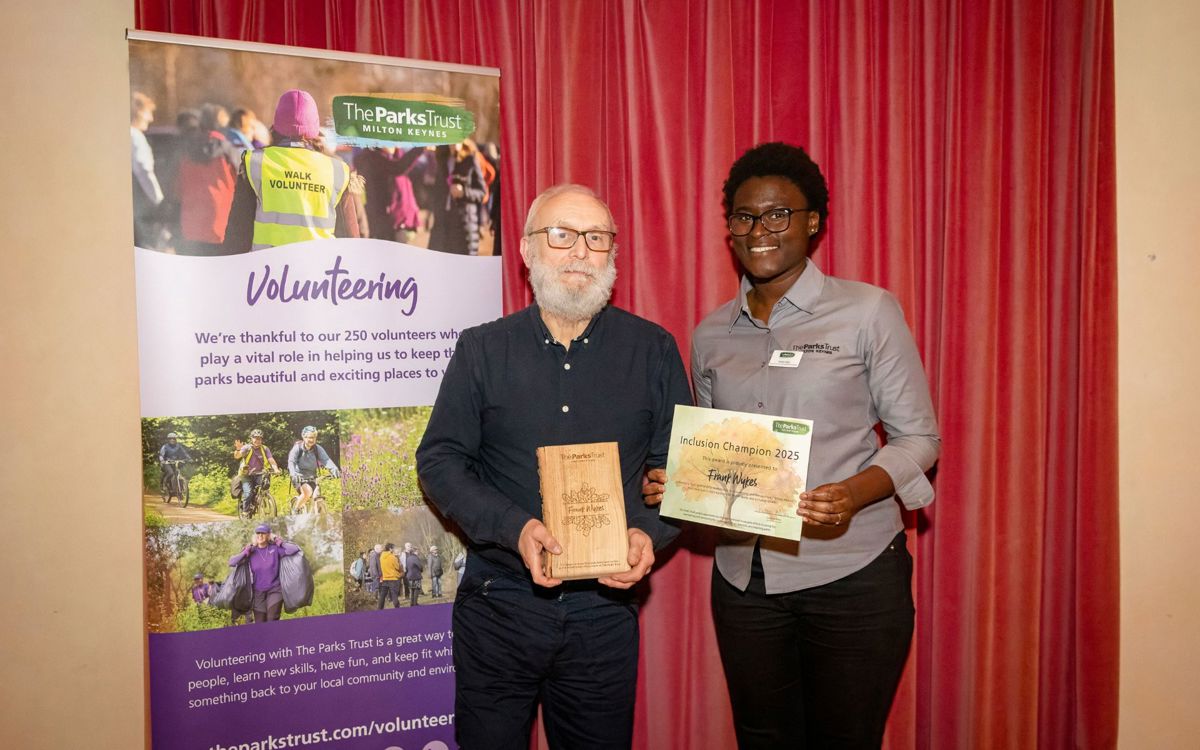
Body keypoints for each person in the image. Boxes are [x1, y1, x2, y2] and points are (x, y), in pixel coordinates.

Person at [645, 142, 941, 749]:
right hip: (744, 581)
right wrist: (679, 482)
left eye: (778, 214)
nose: (760, 230)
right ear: (729, 228)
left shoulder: (867, 312)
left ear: (813, 222)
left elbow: (919, 438)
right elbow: (718, 453)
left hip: (852, 574)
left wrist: (854, 493)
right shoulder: (709, 334)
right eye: (744, 217)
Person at [416, 184, 691, 749]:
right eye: (561, 235)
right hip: (499, 604)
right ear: (526, 249)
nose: (580, 252)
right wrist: (513, 527)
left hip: (605, 613)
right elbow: (439, 460)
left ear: (612, 252)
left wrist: (647, 533)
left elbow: (683, 474)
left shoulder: (654, 350)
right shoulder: (481, 350)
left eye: (596, 238)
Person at [223, 89, 361, 252]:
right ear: (315, 128)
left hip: (266, 272)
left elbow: (238, 233)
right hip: (318, 272)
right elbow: (351, 241)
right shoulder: (337, 170)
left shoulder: (255, 163)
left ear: (276, 125)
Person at [174, 103, 240, 256]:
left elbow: (177, 189)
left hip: (191, 225)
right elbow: (242, 185)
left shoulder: (187, 150)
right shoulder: (229, 151)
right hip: (221, 224)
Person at [227, 523, 302, 622]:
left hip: (275, 590)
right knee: (260, 623)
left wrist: (280, 542)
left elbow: (295, 549)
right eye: (258, 533)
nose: (260, 535)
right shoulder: (251, 551)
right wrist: (245, 552)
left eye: (263, 533)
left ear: (268, 535)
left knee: (272, 619)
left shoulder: (275, 548)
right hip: (258, 593)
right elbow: (231, 562)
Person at [131, 91, 166, 249]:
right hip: (143, 210)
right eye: (148, 113)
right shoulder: (135, 137)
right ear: (137, 111)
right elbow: (144, 172)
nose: (151, 118)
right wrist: (159, 200)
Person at [286, 426, 340, 513]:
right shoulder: (297, 448)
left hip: (312, 476)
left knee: (317, 495)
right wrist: (293, 474)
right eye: (310, 437)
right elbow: (291, 462)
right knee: (308, 492)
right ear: (304, 437)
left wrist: (334, 469)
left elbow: (326, 460)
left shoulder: (317, 448)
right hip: (299, 477)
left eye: (314, 437)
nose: (312, 440)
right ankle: (295, 510)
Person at [233, 429, 280, 515]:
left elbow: (271, 460)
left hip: (260, 473)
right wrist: (238, 450)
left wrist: (275, 469)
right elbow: (237, 456)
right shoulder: (247, 447)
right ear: (251, 438)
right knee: (248, 493)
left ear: (261, 440)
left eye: (259, 438)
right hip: (246, 475)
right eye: (255, 438)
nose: (257, 440)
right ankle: (245, 511)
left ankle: (261, 500)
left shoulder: (265, 449)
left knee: (265, 486)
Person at [158, 432, 193, 501]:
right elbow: (161, 455)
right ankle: (164, 485)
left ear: (176, 439)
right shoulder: (165, 447)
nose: (172, 440)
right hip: (167, 463)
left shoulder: (178, 446)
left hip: (175, 462)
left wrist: (189, 458)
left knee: (178, 474)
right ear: (168, 440)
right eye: (171, 439)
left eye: (174, 439)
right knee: (170, 473)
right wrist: (162, 460)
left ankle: (179, 492)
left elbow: (184, 453)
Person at [377, 543, 402, 609]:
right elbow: (398, 567)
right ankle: (397, 608)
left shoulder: (381, 556)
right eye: (393, 548)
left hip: (385, 578)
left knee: (382, 595)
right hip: (393, 578)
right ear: (390, 549)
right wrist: (398, 558)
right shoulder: (392, 557)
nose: (394, 549)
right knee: (394, 595)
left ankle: (380, 608)